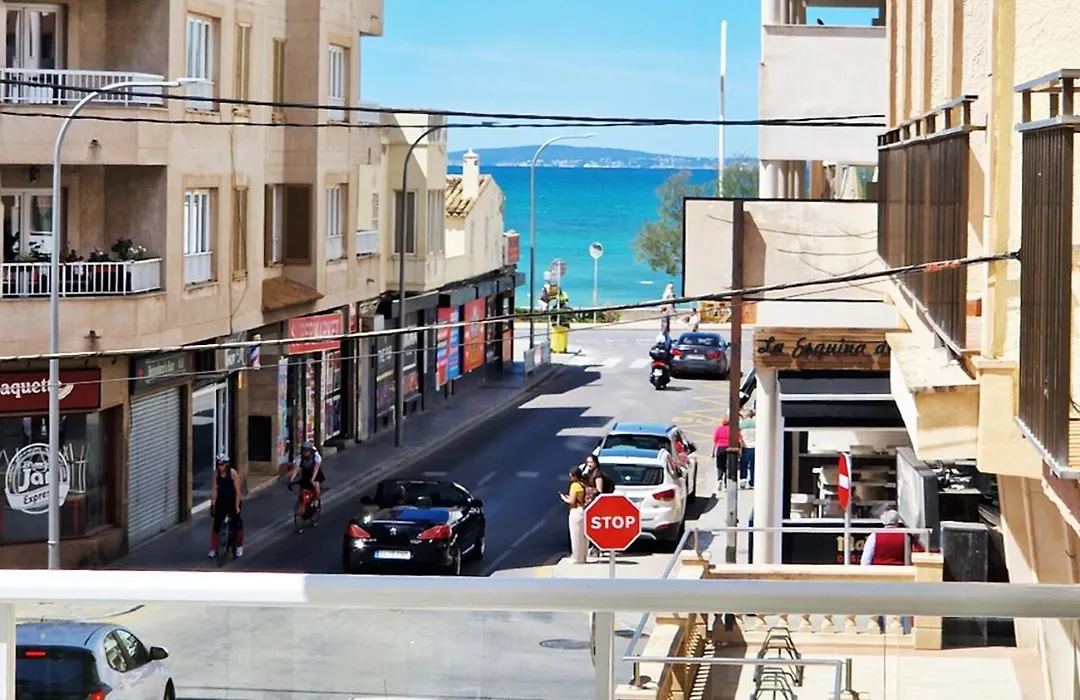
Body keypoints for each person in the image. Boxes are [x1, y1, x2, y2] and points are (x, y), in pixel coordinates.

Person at [861, 509, 923, 631]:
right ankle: (899, 631)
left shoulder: (874, 536)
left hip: (878, 578)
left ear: (884, 522)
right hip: (898, 578)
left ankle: (879, 629)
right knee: (898, 608)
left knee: (877, 607)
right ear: (897, 522)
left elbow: (865, 561)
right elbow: (907, 560)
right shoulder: (905, 537)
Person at [209, 453, 243, 558]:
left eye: (222, 464)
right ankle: (213, 549)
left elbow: (237, 491)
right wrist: (213, 504)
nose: (220, 466)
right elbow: (214, 490)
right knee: (216, 525)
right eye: (219, 464)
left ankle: (239, 546)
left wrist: (237, 506)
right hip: (221, 500)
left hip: (232, 500)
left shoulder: (233, 473)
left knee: (237, 525)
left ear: (226, 464)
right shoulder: (216, 474)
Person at [560, 470, 588, 563]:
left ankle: (577, 558)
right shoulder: (582, 485)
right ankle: (583, 557)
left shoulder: (574, 485)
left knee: (576, 536)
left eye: (571, 476)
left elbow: (572, 501)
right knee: (583, 536)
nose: (570, 478)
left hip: (575, 511)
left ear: (575, 476)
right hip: (583, 511)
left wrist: (564, 498)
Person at [288, 440, 325, 510]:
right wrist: (291, 480)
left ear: (310, 451)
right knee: (302, 489)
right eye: (304, 451)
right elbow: (296, 470)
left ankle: (316, 500)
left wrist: (312, 479)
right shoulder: (300, 458)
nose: (305, 453)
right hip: (306, 473)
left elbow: (316, 469)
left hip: (315, 473)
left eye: (307, 451)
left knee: (316, 486)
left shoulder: (316, 457)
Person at [711, 415, 743, 492]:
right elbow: (740, 440)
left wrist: (713, 452)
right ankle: (726, 485)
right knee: (728, 467)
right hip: (729, 448)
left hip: (720, 448)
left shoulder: (719, 429)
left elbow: (715, 441)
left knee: (720, 466)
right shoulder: (733, 429)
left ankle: (719, 479)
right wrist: (740, 451)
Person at [738, 409, 757, 489]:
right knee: (753, 466)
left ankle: (743, 479)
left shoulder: (741, 424)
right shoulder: (756, 423)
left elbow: (739, 436)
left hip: (745, 446)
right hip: (755, 446)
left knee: (743, 464)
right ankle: (752, 481)